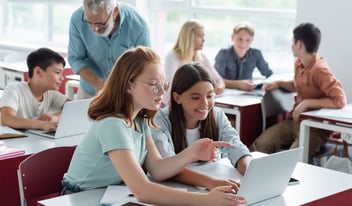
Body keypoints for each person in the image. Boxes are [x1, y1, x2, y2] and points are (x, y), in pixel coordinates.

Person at [61, 46, 247, 206]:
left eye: (163, 84)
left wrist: (192, 152)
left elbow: (158, 170)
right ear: (128, 86)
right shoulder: (113, 125)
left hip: (110, 194)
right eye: (153, 85)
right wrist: (204, 199)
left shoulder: (140, 120)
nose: (161, 92)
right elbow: (143, 190)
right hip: (79, 197)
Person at [250, 23, 347, 162]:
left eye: (292, 41)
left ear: (299, 44)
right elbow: (298, 86)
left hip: (314, 128)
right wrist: (279, 83)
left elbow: (340, 100)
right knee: (259, 147)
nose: (291, 45)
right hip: (294, 122)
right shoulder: (299, 63)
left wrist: (307, 103)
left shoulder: (320, 70)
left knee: (292, 160)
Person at [152, 63, 252, 175]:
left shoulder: (217, 115)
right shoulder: (159, 121)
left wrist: (250, 173)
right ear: (177, 98)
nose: (205, 104)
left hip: (210, 184)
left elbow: (237, 149)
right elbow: (167, 167)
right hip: (176, 187)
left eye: (209, 96)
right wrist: (210, 182)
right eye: (195, 97)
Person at [68, 0, 151, 99]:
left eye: (100, 24)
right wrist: (98, 84)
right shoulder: (77, 19)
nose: (94, 29)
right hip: (90, 90)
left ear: (115, 12)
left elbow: (144, 65)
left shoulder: (139, 25)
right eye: (89, 23)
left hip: (124, 93)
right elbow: (75, 58)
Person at [0, 48, 69, 131]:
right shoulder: (14, 89)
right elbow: (7, 119)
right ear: (38, 72)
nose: (62, 78)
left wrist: (56, 117)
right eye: (57, 72)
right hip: (9, 141)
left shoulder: (51, 93)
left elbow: (74, 106)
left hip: (31, 140)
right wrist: (43, 125)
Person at [163, 19, 225, 105]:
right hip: (174, 104)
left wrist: (219, 86)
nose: (204, 40)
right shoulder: (172, 56)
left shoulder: (202, 56)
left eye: (204, 36)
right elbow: (173, 87)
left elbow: (219, 80)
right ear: (188, 37)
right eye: (200, 36)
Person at [214, 22, 273, 91]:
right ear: (232, 37)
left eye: (248, 40)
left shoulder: (256, 54)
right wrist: (238, 84)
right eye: (240, 39)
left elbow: (269, 74)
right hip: (227, 93)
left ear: (252, 40)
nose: (243, 43)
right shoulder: (224, 54)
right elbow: (217, 80)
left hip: (248, 94)